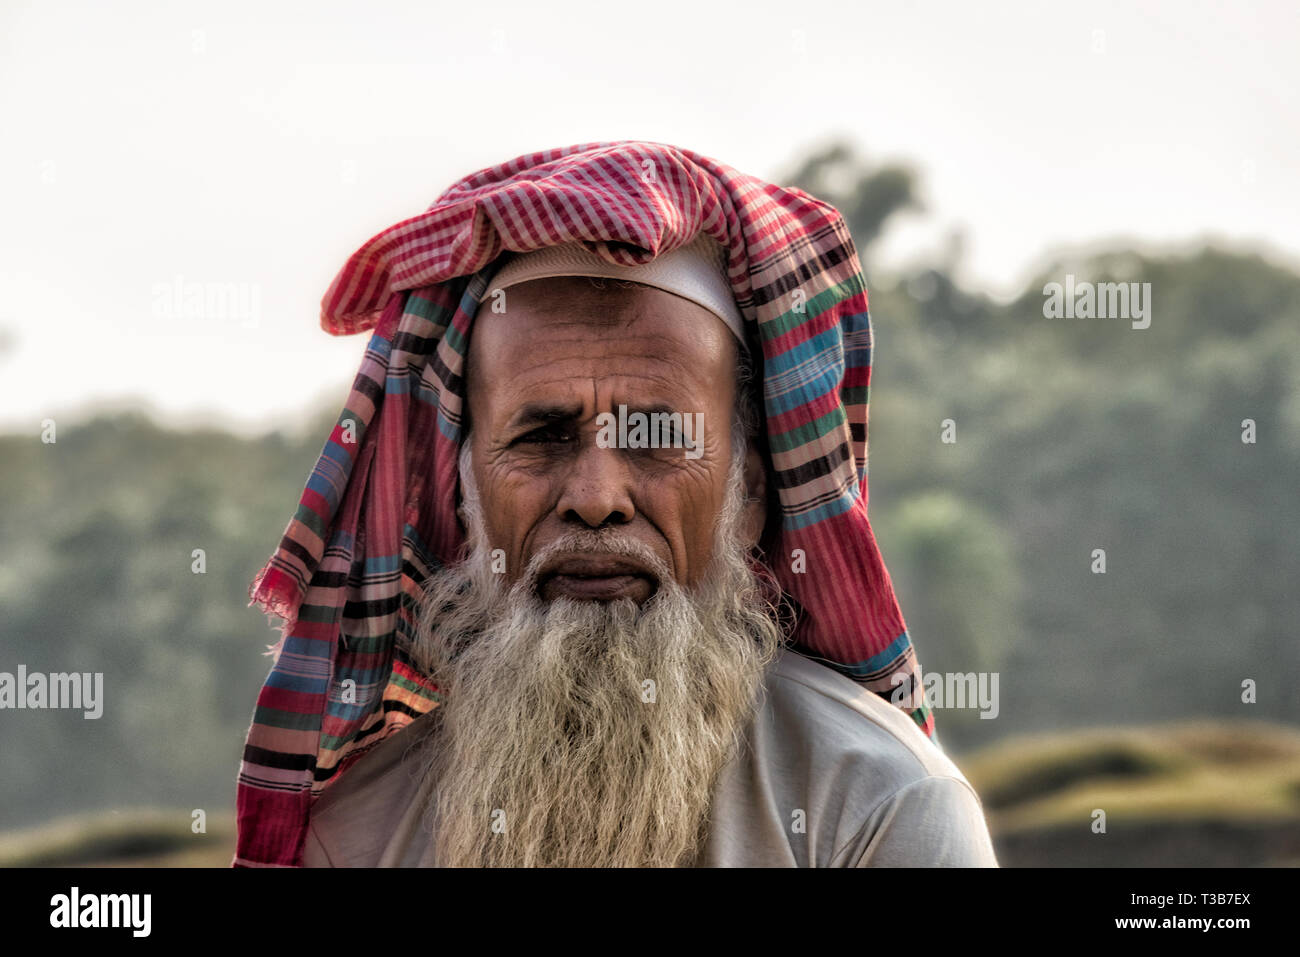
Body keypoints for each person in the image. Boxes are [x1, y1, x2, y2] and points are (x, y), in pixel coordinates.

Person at [235, 141, 998, 868]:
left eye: (655, 436)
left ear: (750, 493)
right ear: (464, 495)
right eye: (542, 435)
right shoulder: (357, 839)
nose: (596, 498)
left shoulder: (876, 808)